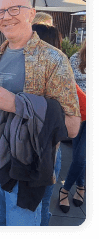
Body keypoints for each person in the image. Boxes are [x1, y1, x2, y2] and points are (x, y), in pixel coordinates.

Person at [0, 0, 81, 226]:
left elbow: (72, 127)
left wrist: (17, 104)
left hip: (25, 171)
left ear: (32, 14)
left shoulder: (53, 59)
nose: (6, 17)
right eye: (1, 12)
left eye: (15, 10)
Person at [31, 23, 63, 226]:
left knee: (39, 204)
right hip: (50, 148)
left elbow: (81, 107)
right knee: (41, 203)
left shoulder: (57, 70)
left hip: (45, 150)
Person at [59, 40, 87, 213]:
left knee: (81, 157)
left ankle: (65, 189)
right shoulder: (76, 57)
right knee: (79, 155)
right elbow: (67, 84)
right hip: (78, 113)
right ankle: (81, 186)